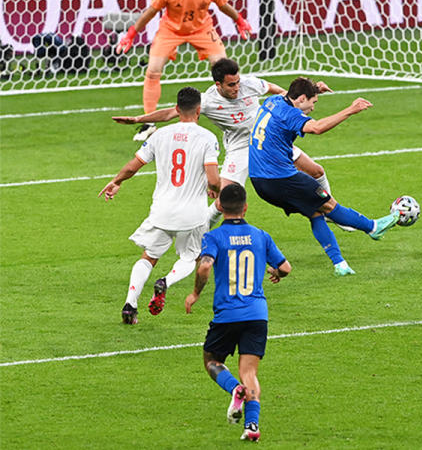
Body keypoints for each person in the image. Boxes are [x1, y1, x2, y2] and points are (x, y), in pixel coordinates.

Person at [112, 58, 333, 228]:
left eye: (237, 82)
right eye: (231, 85)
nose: (237, 88)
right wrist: (139, 119)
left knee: (316, 171)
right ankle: (200, 232)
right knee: (224, 199)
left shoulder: (248, 84)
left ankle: (332, 212)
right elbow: (171, 112)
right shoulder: (207, 100)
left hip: (266, 139)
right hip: (239, 147)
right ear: (218, 84)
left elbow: (273, 90)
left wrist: (297, 97)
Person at [248, 77, 399, 277]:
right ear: (301, 98)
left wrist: (316, 89)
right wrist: (350, 109)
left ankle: (340, 264)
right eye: (313, 102)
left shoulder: (273, 101)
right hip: (281, 178)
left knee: (314, 212)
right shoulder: (290, 115)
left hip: (259, 181)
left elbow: (290, 94)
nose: (313, 107)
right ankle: (372, 227)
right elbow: (317, 127)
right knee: (328, 205)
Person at [99, 87, 220, 324]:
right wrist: (215, 189)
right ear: (199, 110)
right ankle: (166, 281)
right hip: (192, 215)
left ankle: (130, 304)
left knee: (148, 257)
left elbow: (134, 165)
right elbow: (213, 178)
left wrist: (116, 182)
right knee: (190, 257)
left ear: (176, 109)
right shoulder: (207, 138)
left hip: (161, 212)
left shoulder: (159, 135)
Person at [184, 184, 290, 442]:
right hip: (257, 314)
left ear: (220, 207)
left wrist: (196, 293)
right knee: (250, 371)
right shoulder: (260, 235)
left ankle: (235, 389)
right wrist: (275, 274)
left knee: (211, 360)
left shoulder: (214, 237)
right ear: (245, 207)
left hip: (227, 314)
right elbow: (285, 267)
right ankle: (252, 425)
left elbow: (204, 267)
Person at [115, 0, 252, 141]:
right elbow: (150, 12)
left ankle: (232, 113)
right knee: (153, 70)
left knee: (223, 68)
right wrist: (131, 34)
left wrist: (240, 21)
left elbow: (223, 6)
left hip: (202, 29)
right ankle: (149, 124)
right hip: (170, 30)